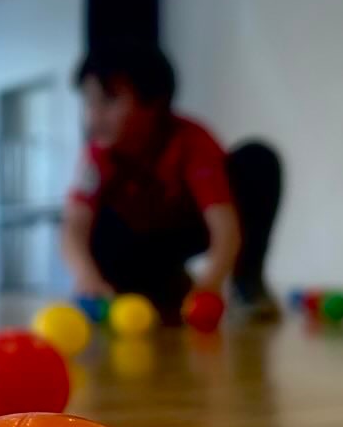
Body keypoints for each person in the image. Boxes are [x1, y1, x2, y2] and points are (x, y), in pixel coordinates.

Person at [60, 40, 281, 321]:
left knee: (256, 160)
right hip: (143, 243)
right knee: (100, 229)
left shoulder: (191, 142)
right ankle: (164, 283)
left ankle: (247, 283)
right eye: (88, 102)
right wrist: (87, 279)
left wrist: (208, 286)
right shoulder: (97, 155)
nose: (94, 116)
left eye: (109, 100)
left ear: (153, 102)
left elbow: (225, 229)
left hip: (189, 228)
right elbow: (73, 229)